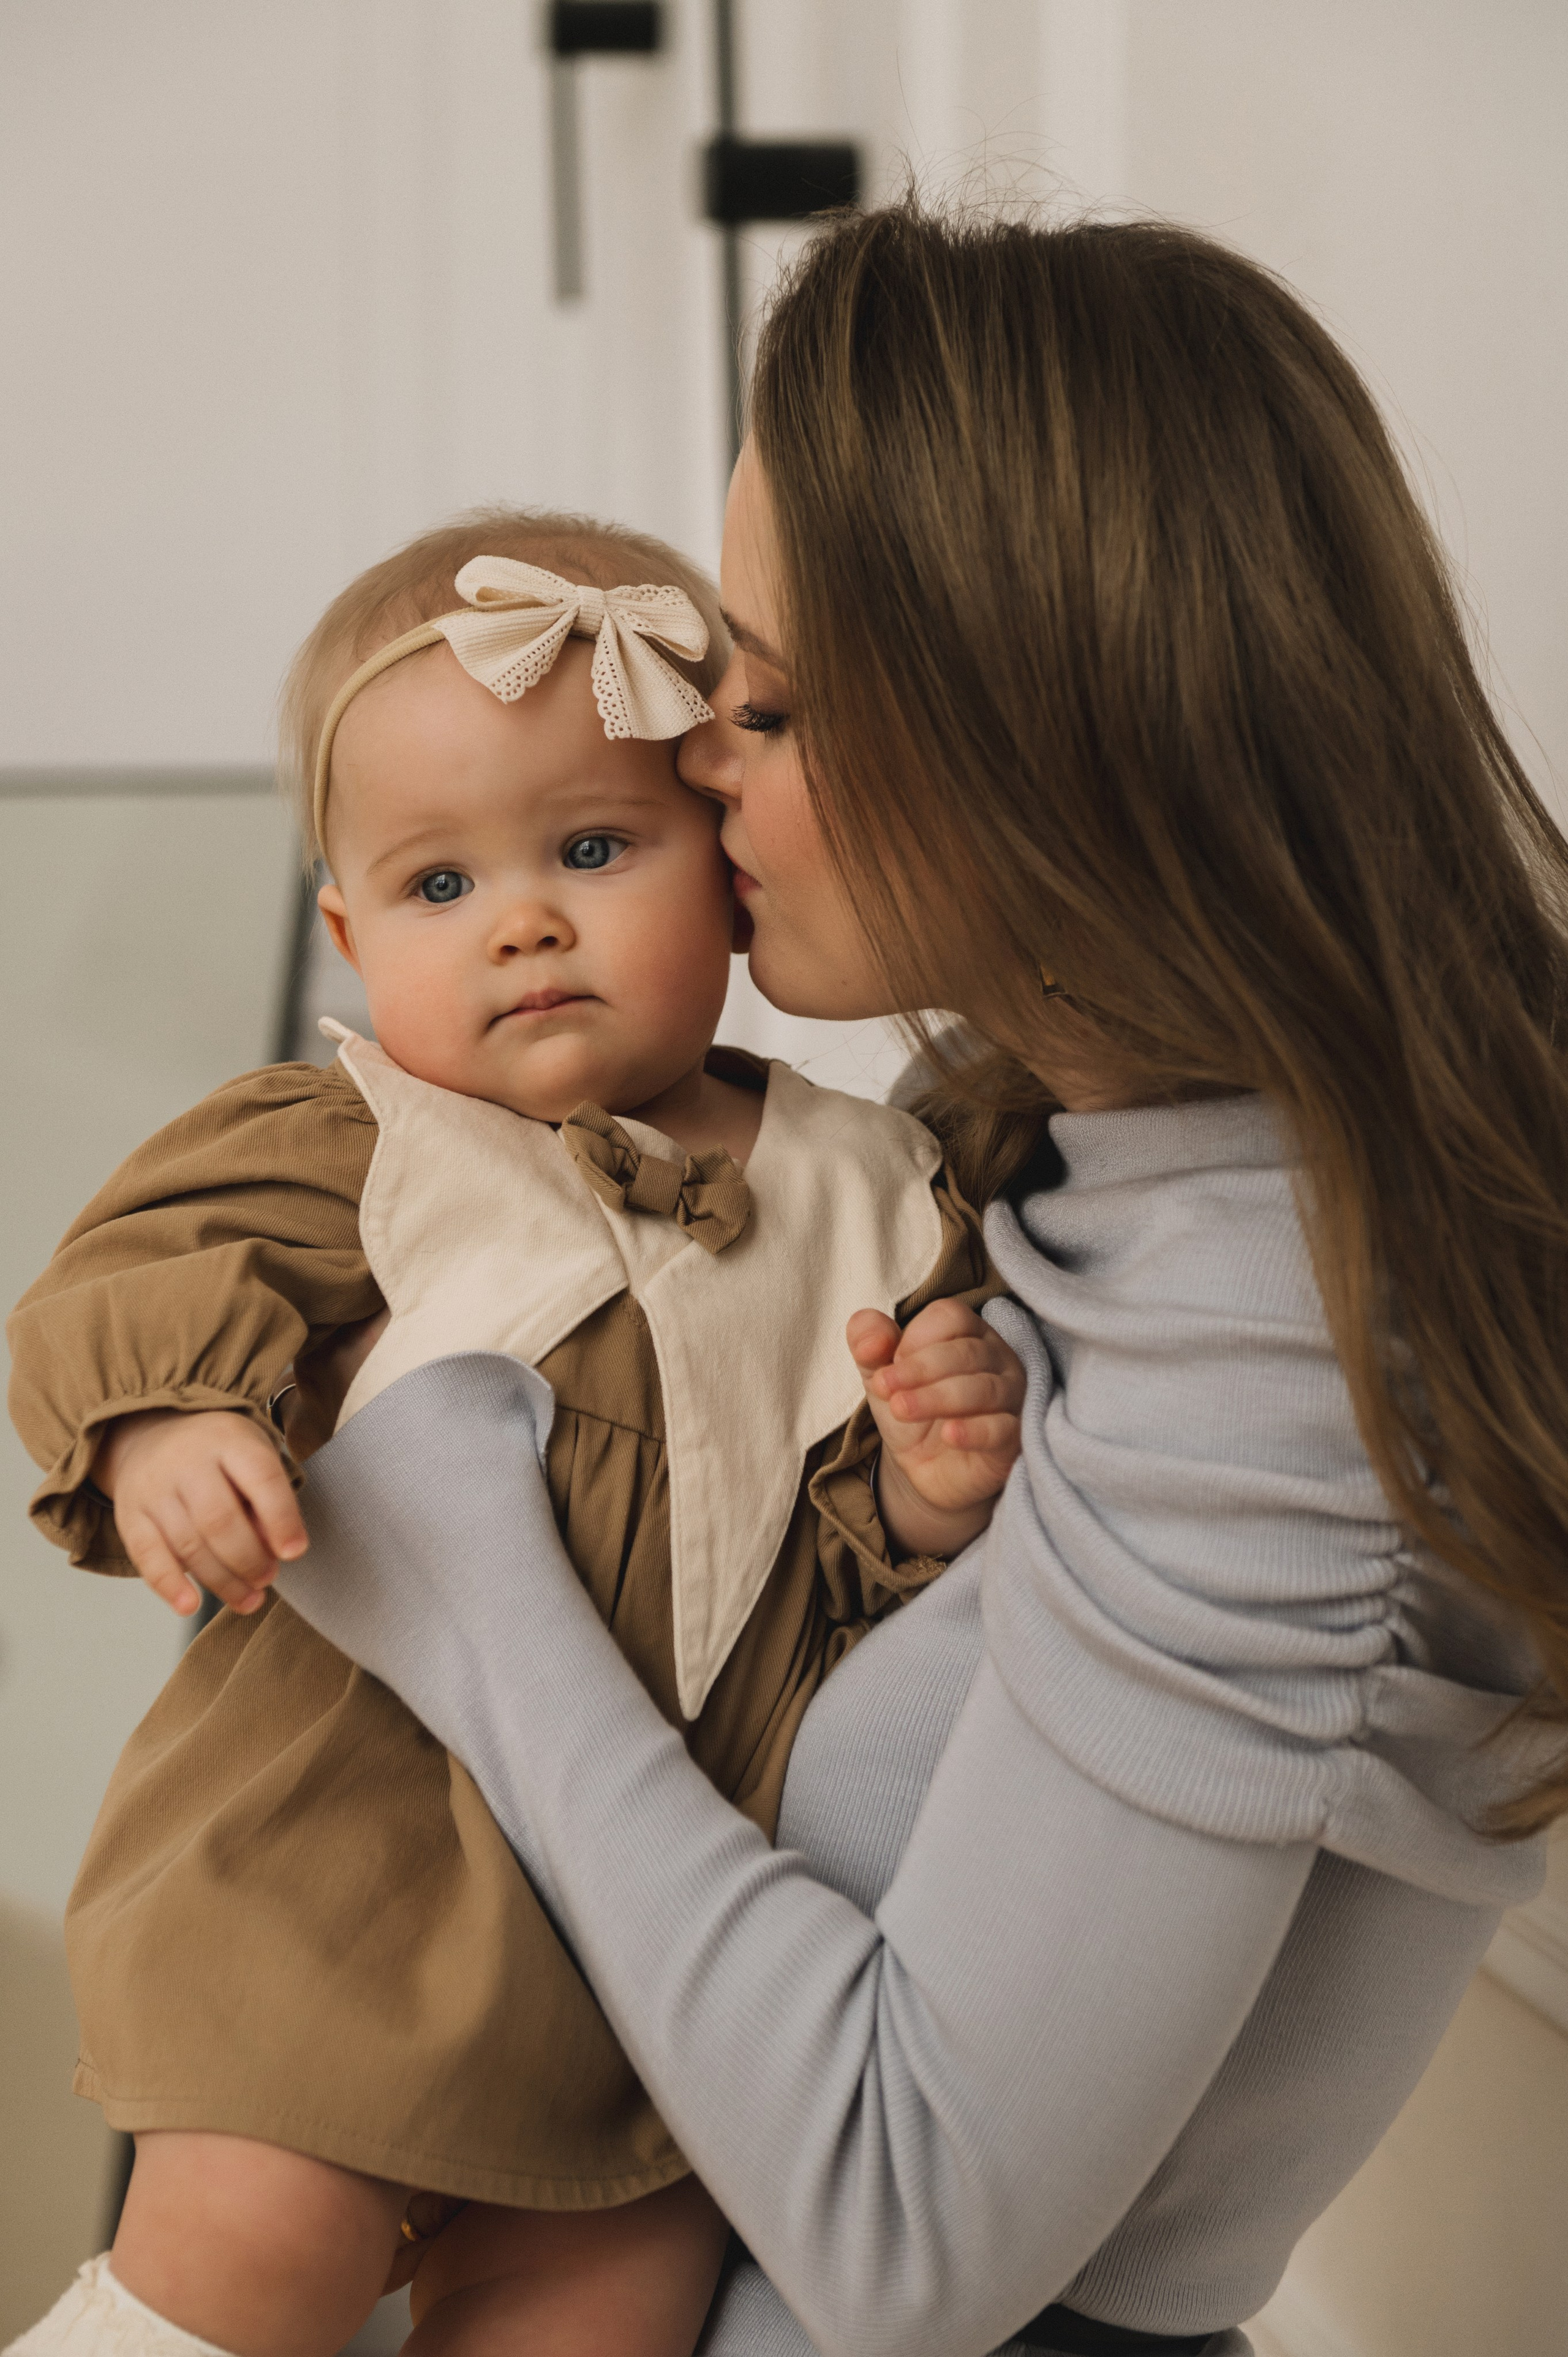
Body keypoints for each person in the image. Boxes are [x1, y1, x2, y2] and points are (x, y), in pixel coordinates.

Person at [254, 203, 1566, 2357]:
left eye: (760, 702)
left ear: (1041, 729)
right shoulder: (1087, 1171)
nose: (689, 763)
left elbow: (908, 2243)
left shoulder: (1288, 1348)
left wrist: (458, 1574)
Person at [4, 509, 1028, 2357]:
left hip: (667, 1932)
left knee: (599, 2312)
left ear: (729, 865)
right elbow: (131, 1286)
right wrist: (171, 1431)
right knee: (243, 2260)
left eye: (589, 847)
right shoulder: (370, 1141)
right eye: (440, 888)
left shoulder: (875, 1191)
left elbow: (847, 1553)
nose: (527, 921)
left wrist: (926, 1486)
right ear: (347, 930)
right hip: (339, 1868)